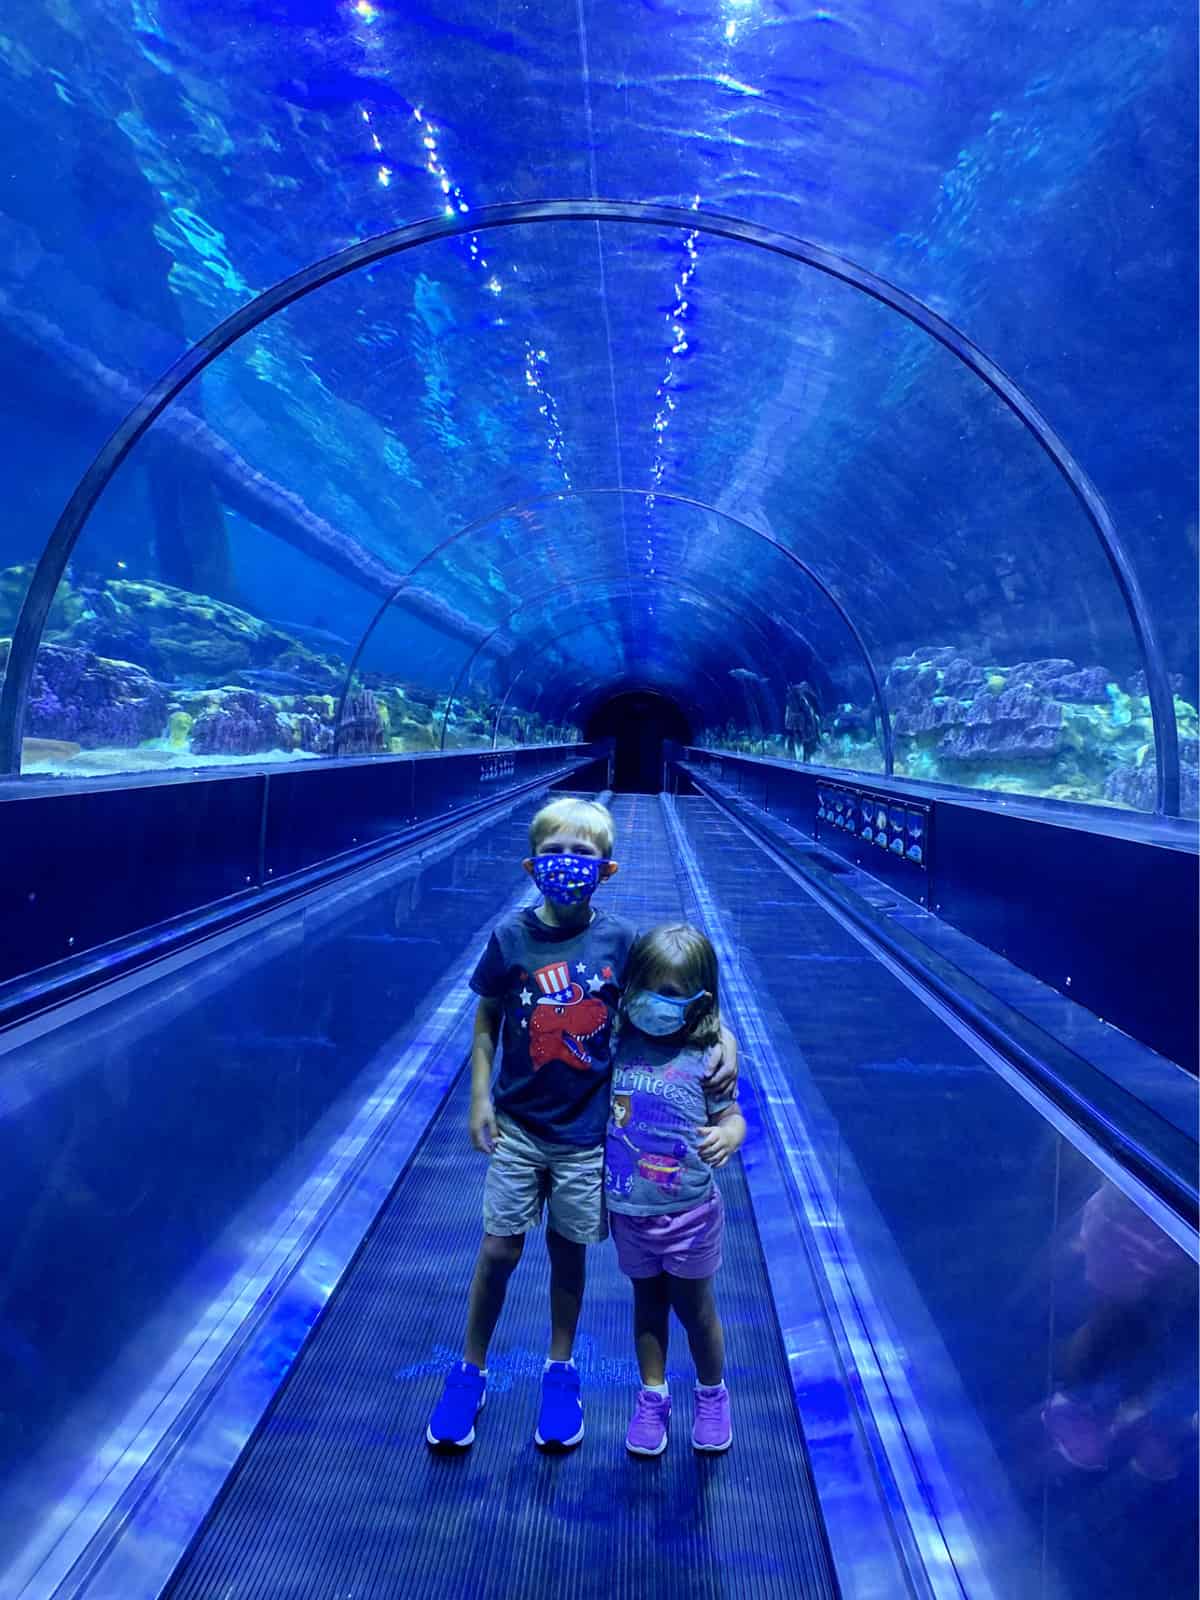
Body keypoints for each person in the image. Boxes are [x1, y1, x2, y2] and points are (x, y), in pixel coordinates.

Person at [426, 799, 738, 1453]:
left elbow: (673, 996)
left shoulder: (620, 942)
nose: (569, 865)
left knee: (568, 1255)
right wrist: (479, 1097)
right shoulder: (511, 938)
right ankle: (470, 1370)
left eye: (583, 855)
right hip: (518, 1124)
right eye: (556, 852)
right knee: (498, 1251)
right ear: (532, 862)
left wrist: (726, 1037)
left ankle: (560, 1370)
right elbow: (486, 1019)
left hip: (587, 1137)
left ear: (608, 868)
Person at [606, 924, 746, 1457]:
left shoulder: (707, 1055)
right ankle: (653, 1395)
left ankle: (712, 1393)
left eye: (669, 992)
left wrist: (727, 1136)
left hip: (689, 1214)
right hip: (630, 1212)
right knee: (646, 1307)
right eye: (644, 986)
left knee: (694, 1308)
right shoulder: (620, 1044)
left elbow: (734, 1117)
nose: (653, 1002)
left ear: (697, 1001)